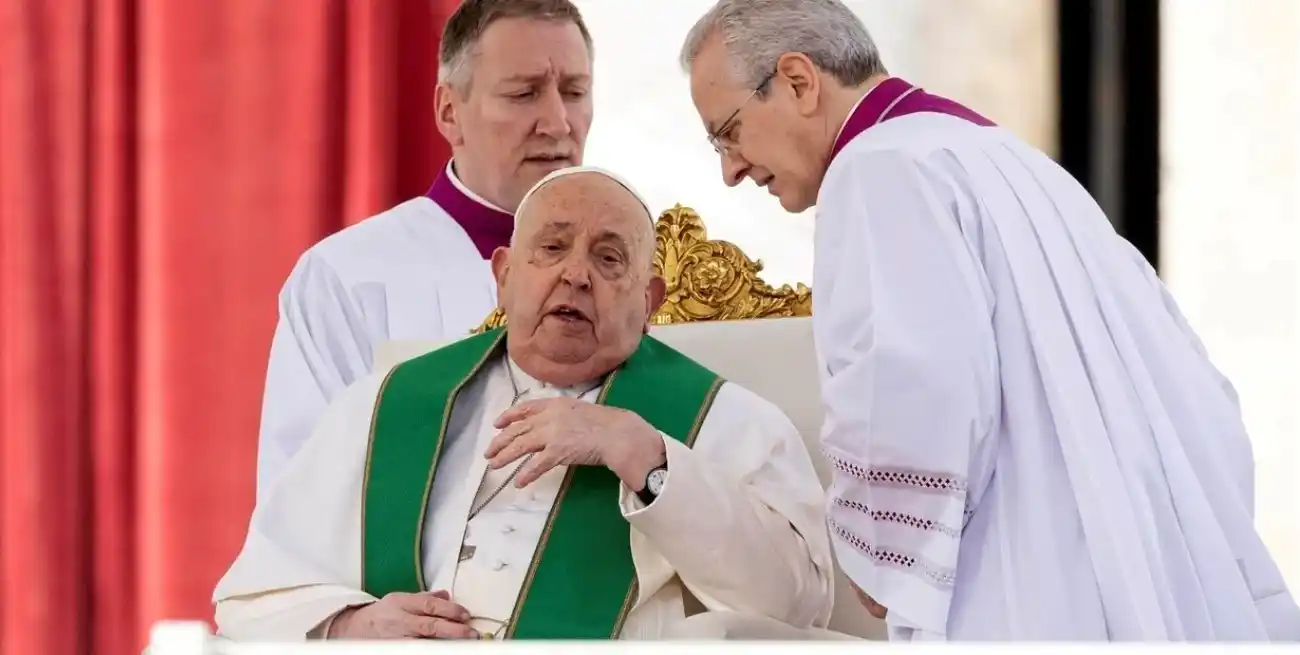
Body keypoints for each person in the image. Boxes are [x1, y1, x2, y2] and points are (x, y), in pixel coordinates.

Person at [679, 0, 1300, 642]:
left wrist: (885, 548)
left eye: (728, 131)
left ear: (798, 82)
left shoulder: (879, 169)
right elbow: (1194, 384)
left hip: (1023, 581)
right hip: (1135, 557)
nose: (730, 170)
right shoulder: (1018, 162)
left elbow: (915, 381)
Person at [212, 166, 836, 641]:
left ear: (649, 300)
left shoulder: (727, 421)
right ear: (504, 276)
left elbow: (796, 604)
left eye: (608, 258)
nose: (576, 275)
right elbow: (252, 596)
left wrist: (646, 457)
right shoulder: (383, 406)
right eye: (552, 248)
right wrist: (351, 626)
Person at [254, 0, 596, 498]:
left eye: (574, 92)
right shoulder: (347, 276)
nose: (558, 122)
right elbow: (298, 496)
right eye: (524, 94)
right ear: (449, 112)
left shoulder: (635, 270)